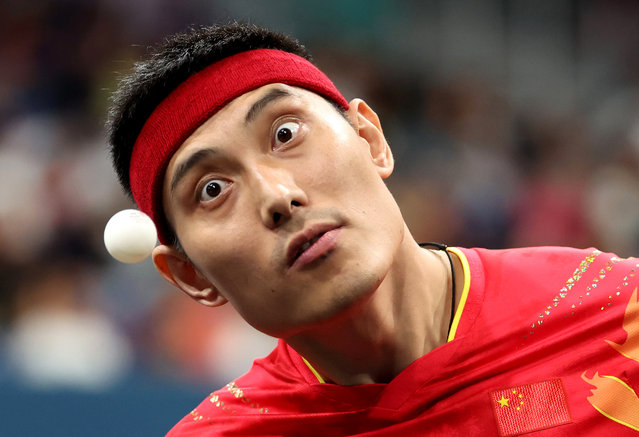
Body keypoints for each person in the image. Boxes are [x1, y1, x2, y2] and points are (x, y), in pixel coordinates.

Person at [107, 22, 639, 436]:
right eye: (212, 190)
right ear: (188, 275)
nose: (277, 197)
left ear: (370, 138)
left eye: (286, 133)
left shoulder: (618, 315)